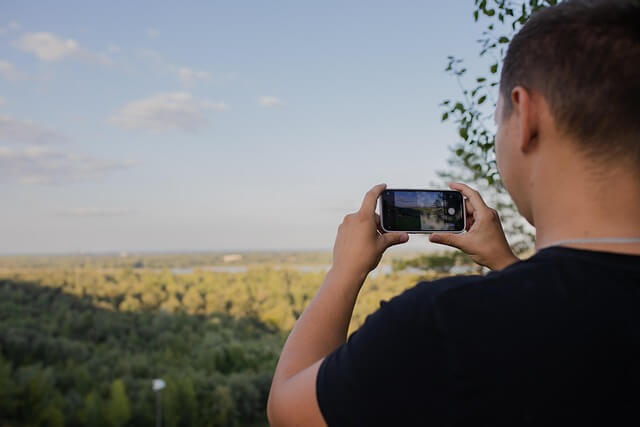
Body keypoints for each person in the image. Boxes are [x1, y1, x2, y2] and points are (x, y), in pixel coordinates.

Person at [267, 0, 640, 425]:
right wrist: (508, 265)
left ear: (526, 116)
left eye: (498, 119)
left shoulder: (445, 325)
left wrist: (344, 271)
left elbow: (288, 410)